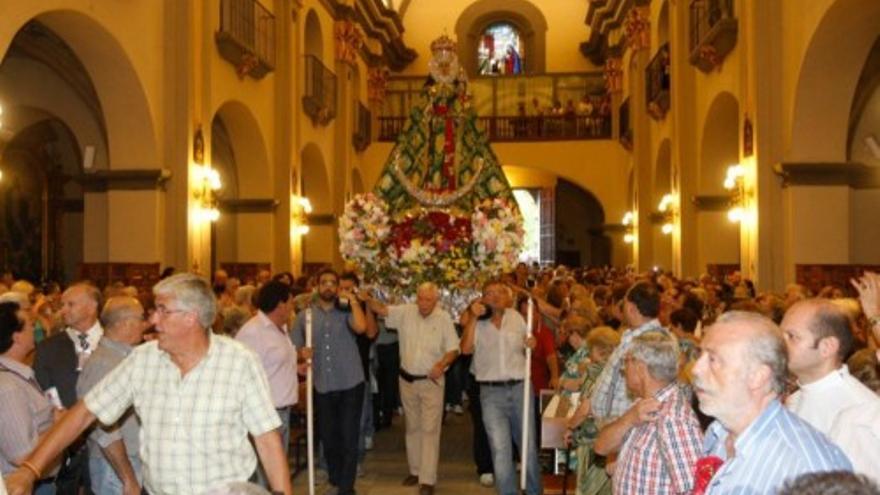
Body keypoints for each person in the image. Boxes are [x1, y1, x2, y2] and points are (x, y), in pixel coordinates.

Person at [3, 273, 292, 495]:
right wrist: (30, 469)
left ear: (190, 318)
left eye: (162, 310)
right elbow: (84, 412)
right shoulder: (143, 360)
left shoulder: (239, 362)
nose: (152, 320)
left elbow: (267, 438)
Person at [691, 311, 851, 494]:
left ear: (757, 377)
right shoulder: (718, 432)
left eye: (713, 360)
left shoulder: (806, 466)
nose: (696, 369)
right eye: (700, 355)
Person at [368, 283, 459, 495]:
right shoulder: (406, 312)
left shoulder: (443, 318)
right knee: (412, 427)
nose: (423, 303)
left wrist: (441, 365)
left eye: (428, 299)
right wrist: (365, 298)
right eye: (420, 298)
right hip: (407, 380)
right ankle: (416, 470)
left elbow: (453, 349)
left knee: (429, 430)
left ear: (436, 300)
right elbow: (381, 309)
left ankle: (427, 480)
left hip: (431, 382)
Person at [594, 332, 702, 494]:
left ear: (640, 367)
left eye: (626, 362)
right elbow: (601, 447)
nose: (624, 370)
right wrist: (628, 419)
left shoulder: (674, 419)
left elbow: (694, 489)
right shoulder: (642, 405)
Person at [461, 280, 541, 495]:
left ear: (508, 297)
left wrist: (530, 343)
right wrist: (473, 318)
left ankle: (534, 491)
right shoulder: (477, 321)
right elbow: (466, 350)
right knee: (500, 448)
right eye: (489, 293)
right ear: (482, 298)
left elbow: (528, 344)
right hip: (490, 392)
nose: (494, 296)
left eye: (499, 292)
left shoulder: (516, 318)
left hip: (520, 388)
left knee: (528, 446)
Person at [292, 269, 366, 495]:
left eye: (333, 283)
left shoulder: (346, 311)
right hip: (323, 383)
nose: (328, 287)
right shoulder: (305, 315)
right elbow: (294, 345)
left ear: (338, 287)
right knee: (328, 436)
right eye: (324, 282)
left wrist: (352, 300)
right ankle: (336, 477)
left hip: (350, 381)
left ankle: (346, 487)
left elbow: (362, 328)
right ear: (317, 286)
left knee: (348, 435)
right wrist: (301, 352)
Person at [33, 283, 104, 493]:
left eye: (70, 304)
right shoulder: (49, 347)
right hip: (64, 443)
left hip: (106, 439)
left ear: (92, 307)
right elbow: (43, 388)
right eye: (62, 304)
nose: (63, 310)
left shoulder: (112, 341)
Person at [75, 296, 148, 495]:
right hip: (115, 466)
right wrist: (128, 477)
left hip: (127, 460)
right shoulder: (105, 364)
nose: (145, 324)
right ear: (126, 323)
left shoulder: (122, 357)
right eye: (141, 318)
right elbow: (103, 429)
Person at [235, 280, 298, 485]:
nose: (292, 308)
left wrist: (296, 367)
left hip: (283, 412)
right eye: (290, 303)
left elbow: (271, 365)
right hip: (266, 413)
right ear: (280, 305)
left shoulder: (280, 328)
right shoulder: (253, 332)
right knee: (264, 475)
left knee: (276, 473)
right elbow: (241, 373)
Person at [0, 302, 58, 495]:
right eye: (31, 326)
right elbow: (22, 455)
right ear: (16, 337)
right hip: (28, 487)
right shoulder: (8, 387)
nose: (36, 329)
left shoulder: (15, 375)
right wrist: (59, 424)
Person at [590, 282, 667, 426]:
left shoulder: (643, 343)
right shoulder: (639, 336)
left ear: (631, 308)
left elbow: (638, 388)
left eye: (624, 304)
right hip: (617, 425)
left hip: (624, 427)